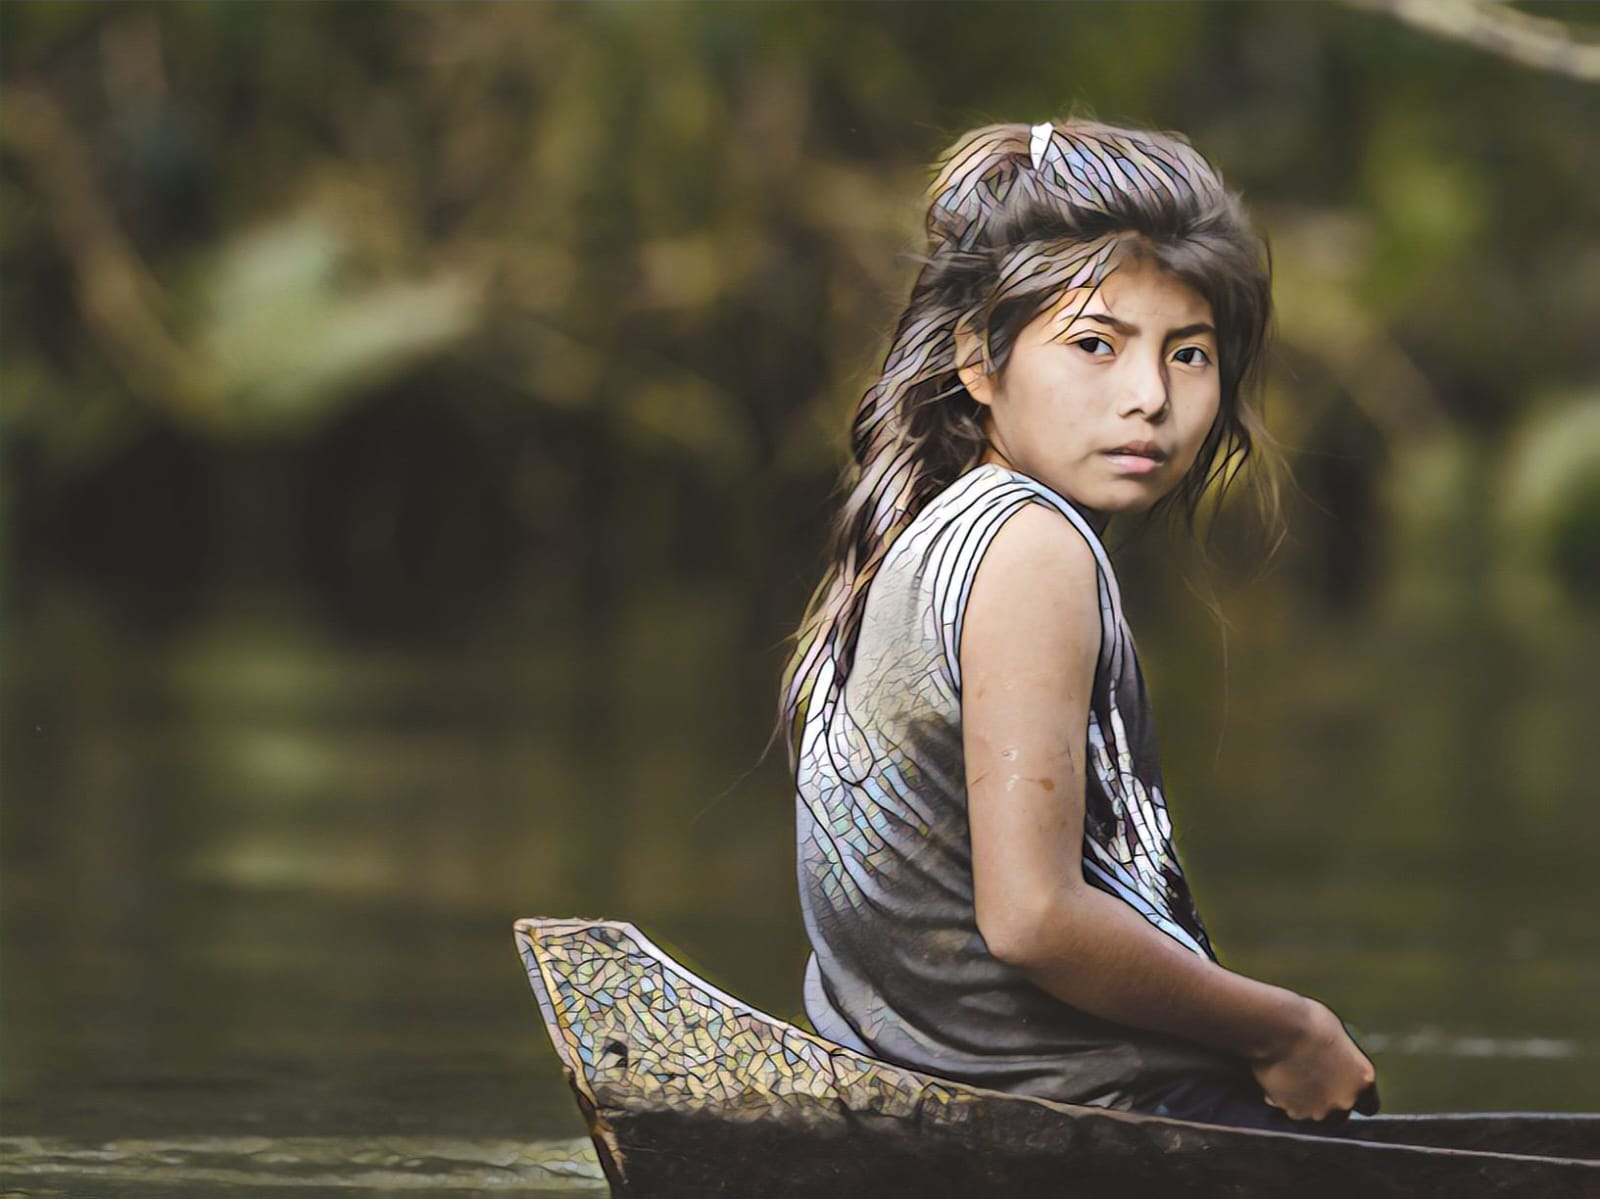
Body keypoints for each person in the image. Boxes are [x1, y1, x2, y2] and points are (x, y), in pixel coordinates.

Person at [778, 117, 1379, 1135]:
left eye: (1188, 353)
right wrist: (1289, 1028)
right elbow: (1034, 919)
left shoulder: (940, 530)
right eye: (1095, 345)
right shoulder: (1030, 549)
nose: (1149, 397)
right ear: (979, 357)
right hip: (1065, 1111)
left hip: (930, 1098)